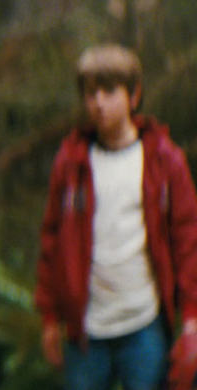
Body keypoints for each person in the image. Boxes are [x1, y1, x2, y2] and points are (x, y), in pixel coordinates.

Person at [35, 44, 197, 389]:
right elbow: (52, 241)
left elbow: (187, 241)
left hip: (145, 326)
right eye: (90, 93)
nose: (99, 103)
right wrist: (50, 318)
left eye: (109, 91)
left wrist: (192, 319)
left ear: (134, 95)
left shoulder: (164, 160)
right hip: (86, 332)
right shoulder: (71, 164)